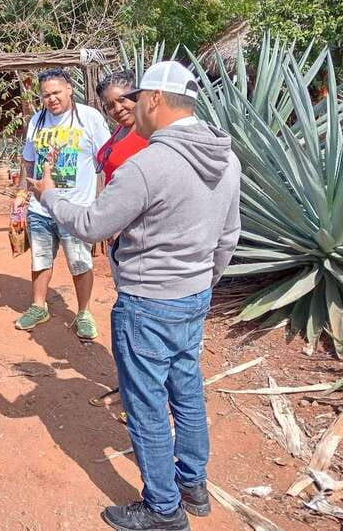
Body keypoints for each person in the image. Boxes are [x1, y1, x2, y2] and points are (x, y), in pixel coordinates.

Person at [29, 61, 241, 531]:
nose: (129, 109)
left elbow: (91, 226)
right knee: (186, 391)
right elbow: (229, 236)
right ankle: (193, 486)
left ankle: (163, 509)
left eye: (136, 98)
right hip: (193, 296)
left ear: (154, 100)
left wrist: (48, 194)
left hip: (147, 302)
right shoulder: (226, 157)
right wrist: (202, 283)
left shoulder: (148, 165)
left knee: (145, 403)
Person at [13, 69, 110, 337]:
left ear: (69, 89)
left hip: (75, 210)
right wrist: (23, 193)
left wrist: (104, 203)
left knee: (80, 262)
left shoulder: (90, 119)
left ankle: (84, 312)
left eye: (56, 92)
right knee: (40, 259)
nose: (52, 99)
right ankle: (38, 306)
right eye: (46, 95)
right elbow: (29, 160)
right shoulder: (37, 120)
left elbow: (106, 160)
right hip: (40, 208)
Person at [95, 70, 148, 184]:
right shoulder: (121, 128)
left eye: (122, 100)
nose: (118, 109)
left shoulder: (149, 133)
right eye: (110, 106)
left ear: (137, 96)